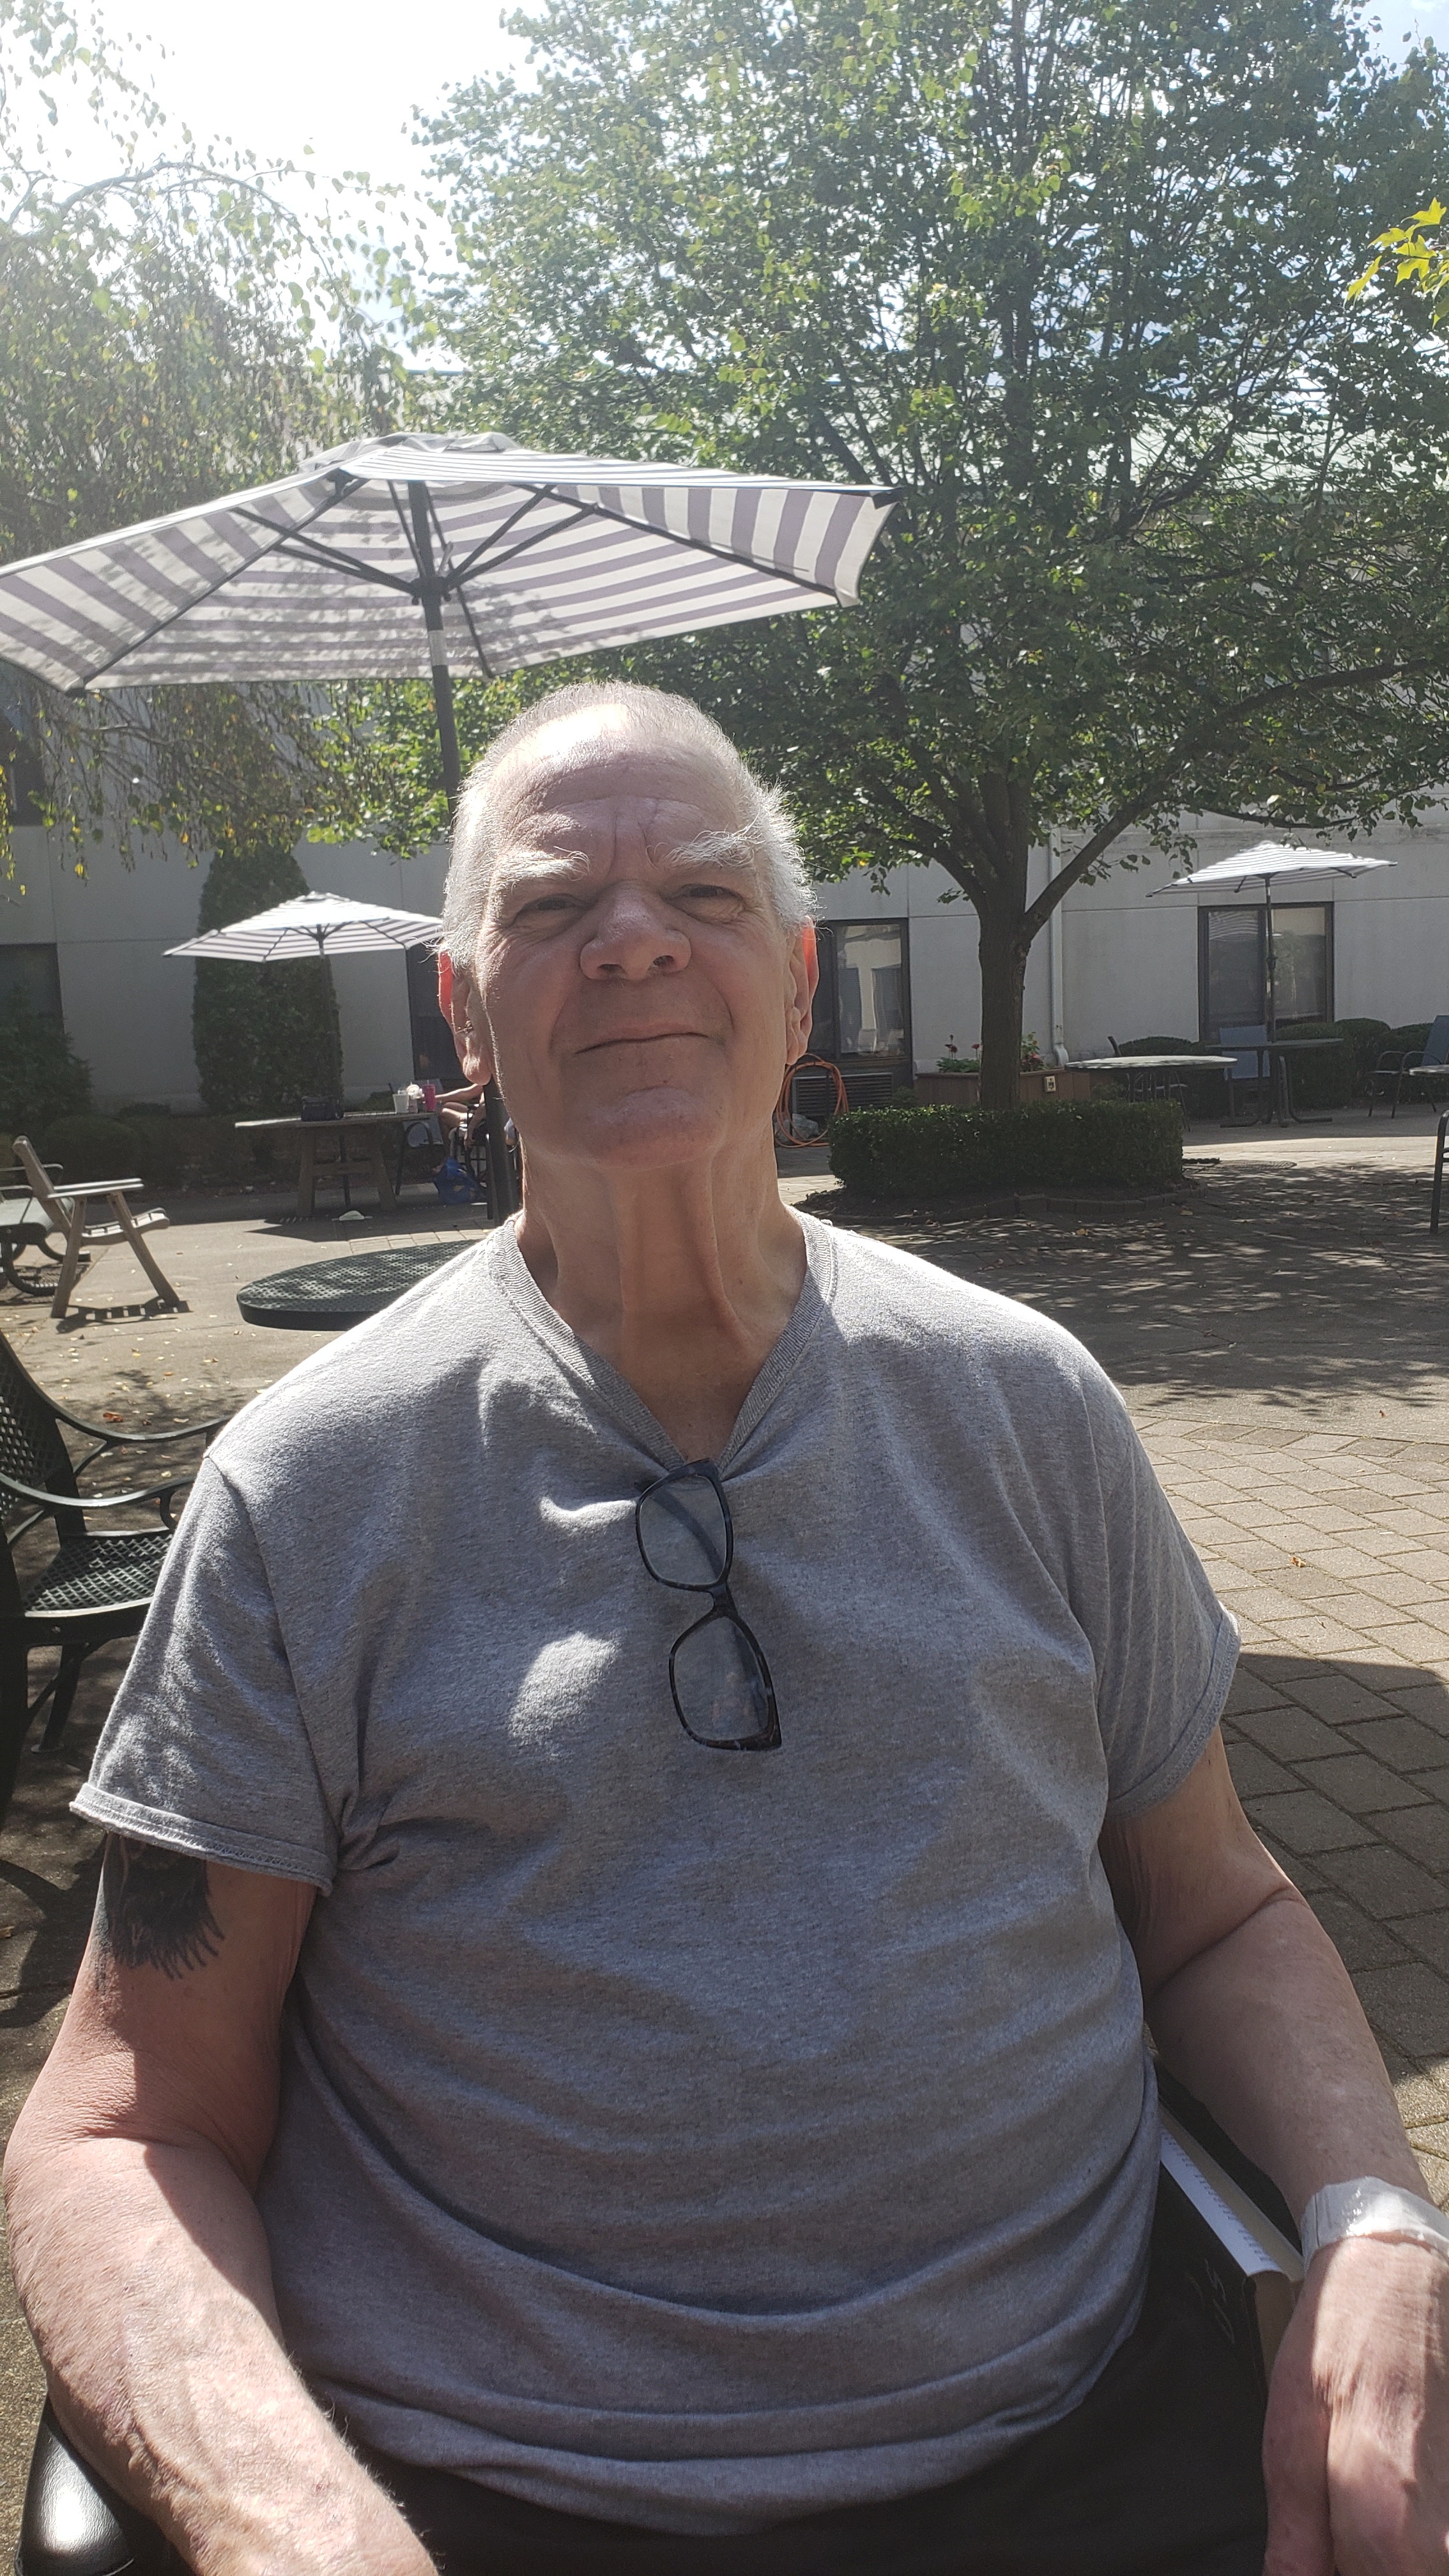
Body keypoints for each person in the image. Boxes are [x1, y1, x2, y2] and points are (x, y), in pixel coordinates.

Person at [6, 681, 1448, 2576]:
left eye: (700, 892)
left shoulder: (1028, 1407)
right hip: (497, 2499)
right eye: (549, 907)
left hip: (1092, 2435)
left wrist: (1374, 2222)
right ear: (463, 1014)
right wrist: (296, 2532)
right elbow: (123, 2127)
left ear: (799, 980)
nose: (631, 941)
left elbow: (1221, 1912)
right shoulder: (309, 1492)